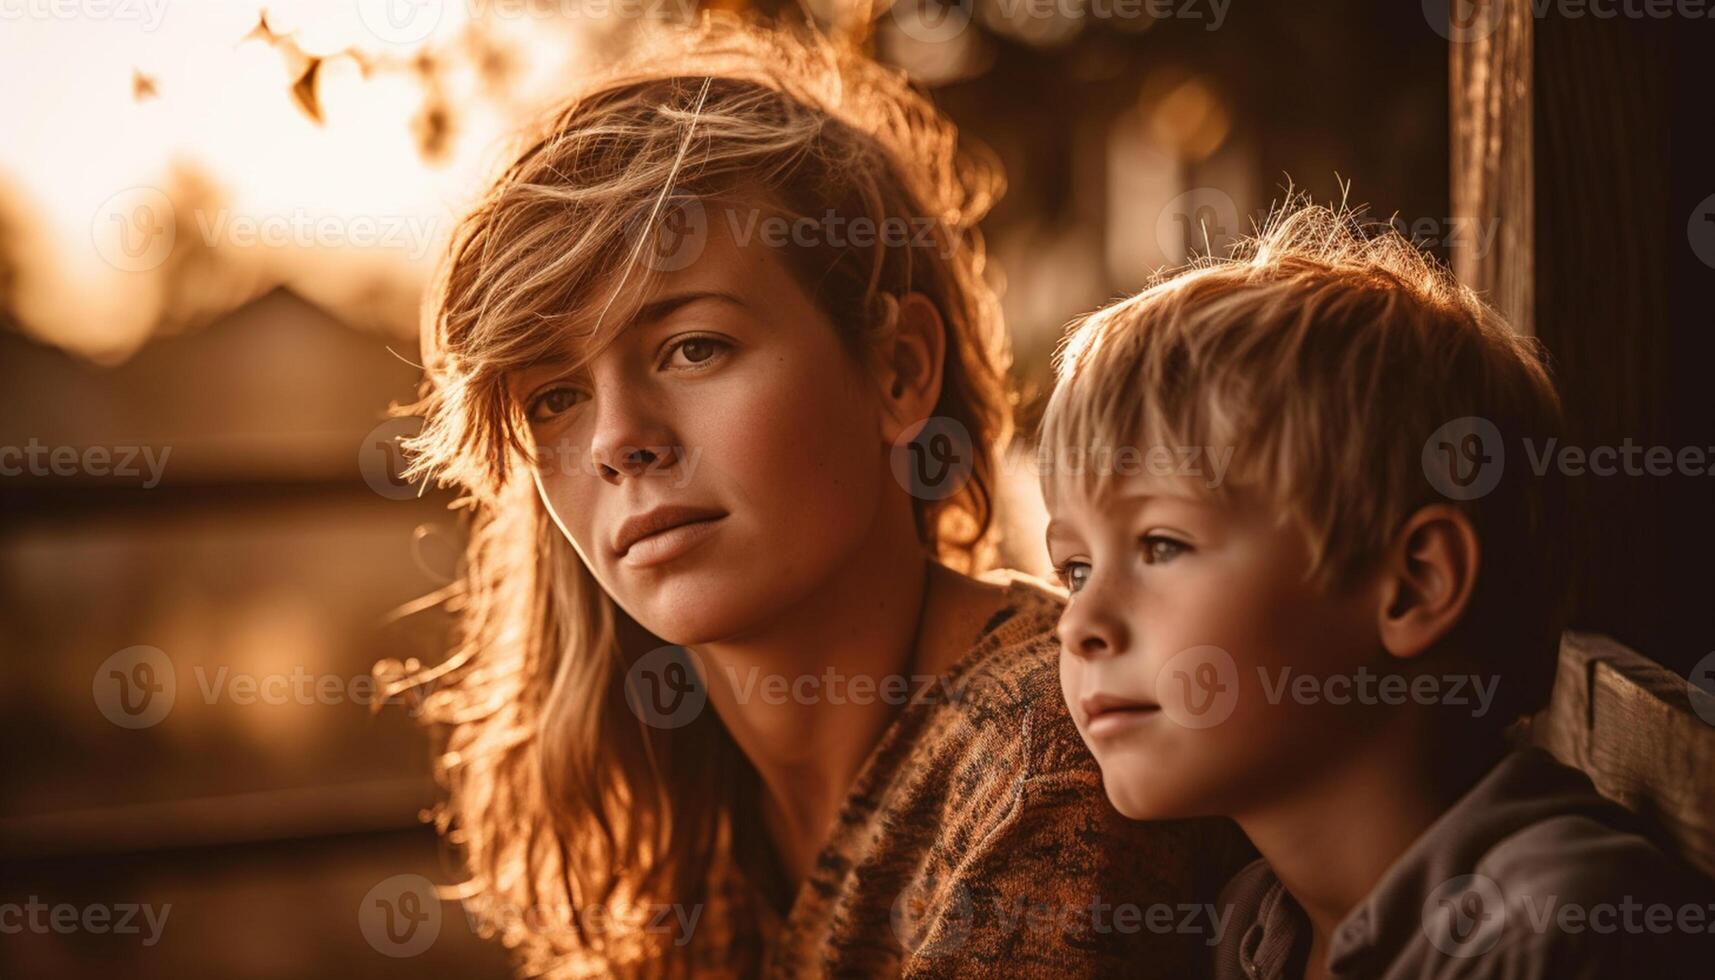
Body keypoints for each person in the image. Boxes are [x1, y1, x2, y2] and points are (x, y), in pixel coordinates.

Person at [382, 21, 1244, 978]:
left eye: (693, 347)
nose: (618, 439)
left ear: (897, 371)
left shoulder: (1052, 765)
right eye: (554, 397)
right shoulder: (675, 817)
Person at [1038, 200, 1712, 978]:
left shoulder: (1560, 939)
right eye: (1074, 569)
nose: (1078, 623)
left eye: (1160, 545)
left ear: (1413, 586)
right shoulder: (1254, 930)